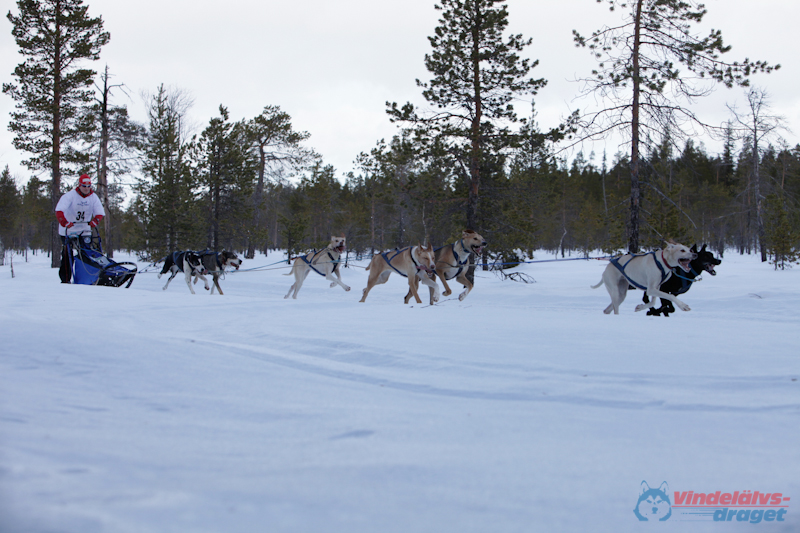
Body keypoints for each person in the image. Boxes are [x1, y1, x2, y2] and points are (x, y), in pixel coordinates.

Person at [55, 174, 105, 283]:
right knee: (68, 254)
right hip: (68, 230)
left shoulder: (93, 197)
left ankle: (87, 277)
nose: (86, 188)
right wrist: (64, 222)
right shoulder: (70, 196)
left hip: (84, 229)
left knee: (86, 253)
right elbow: (59, 211)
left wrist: (95, 221)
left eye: (88, 186)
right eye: (84, 186)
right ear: (79, 185)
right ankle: (65, 279)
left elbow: (99, 213)